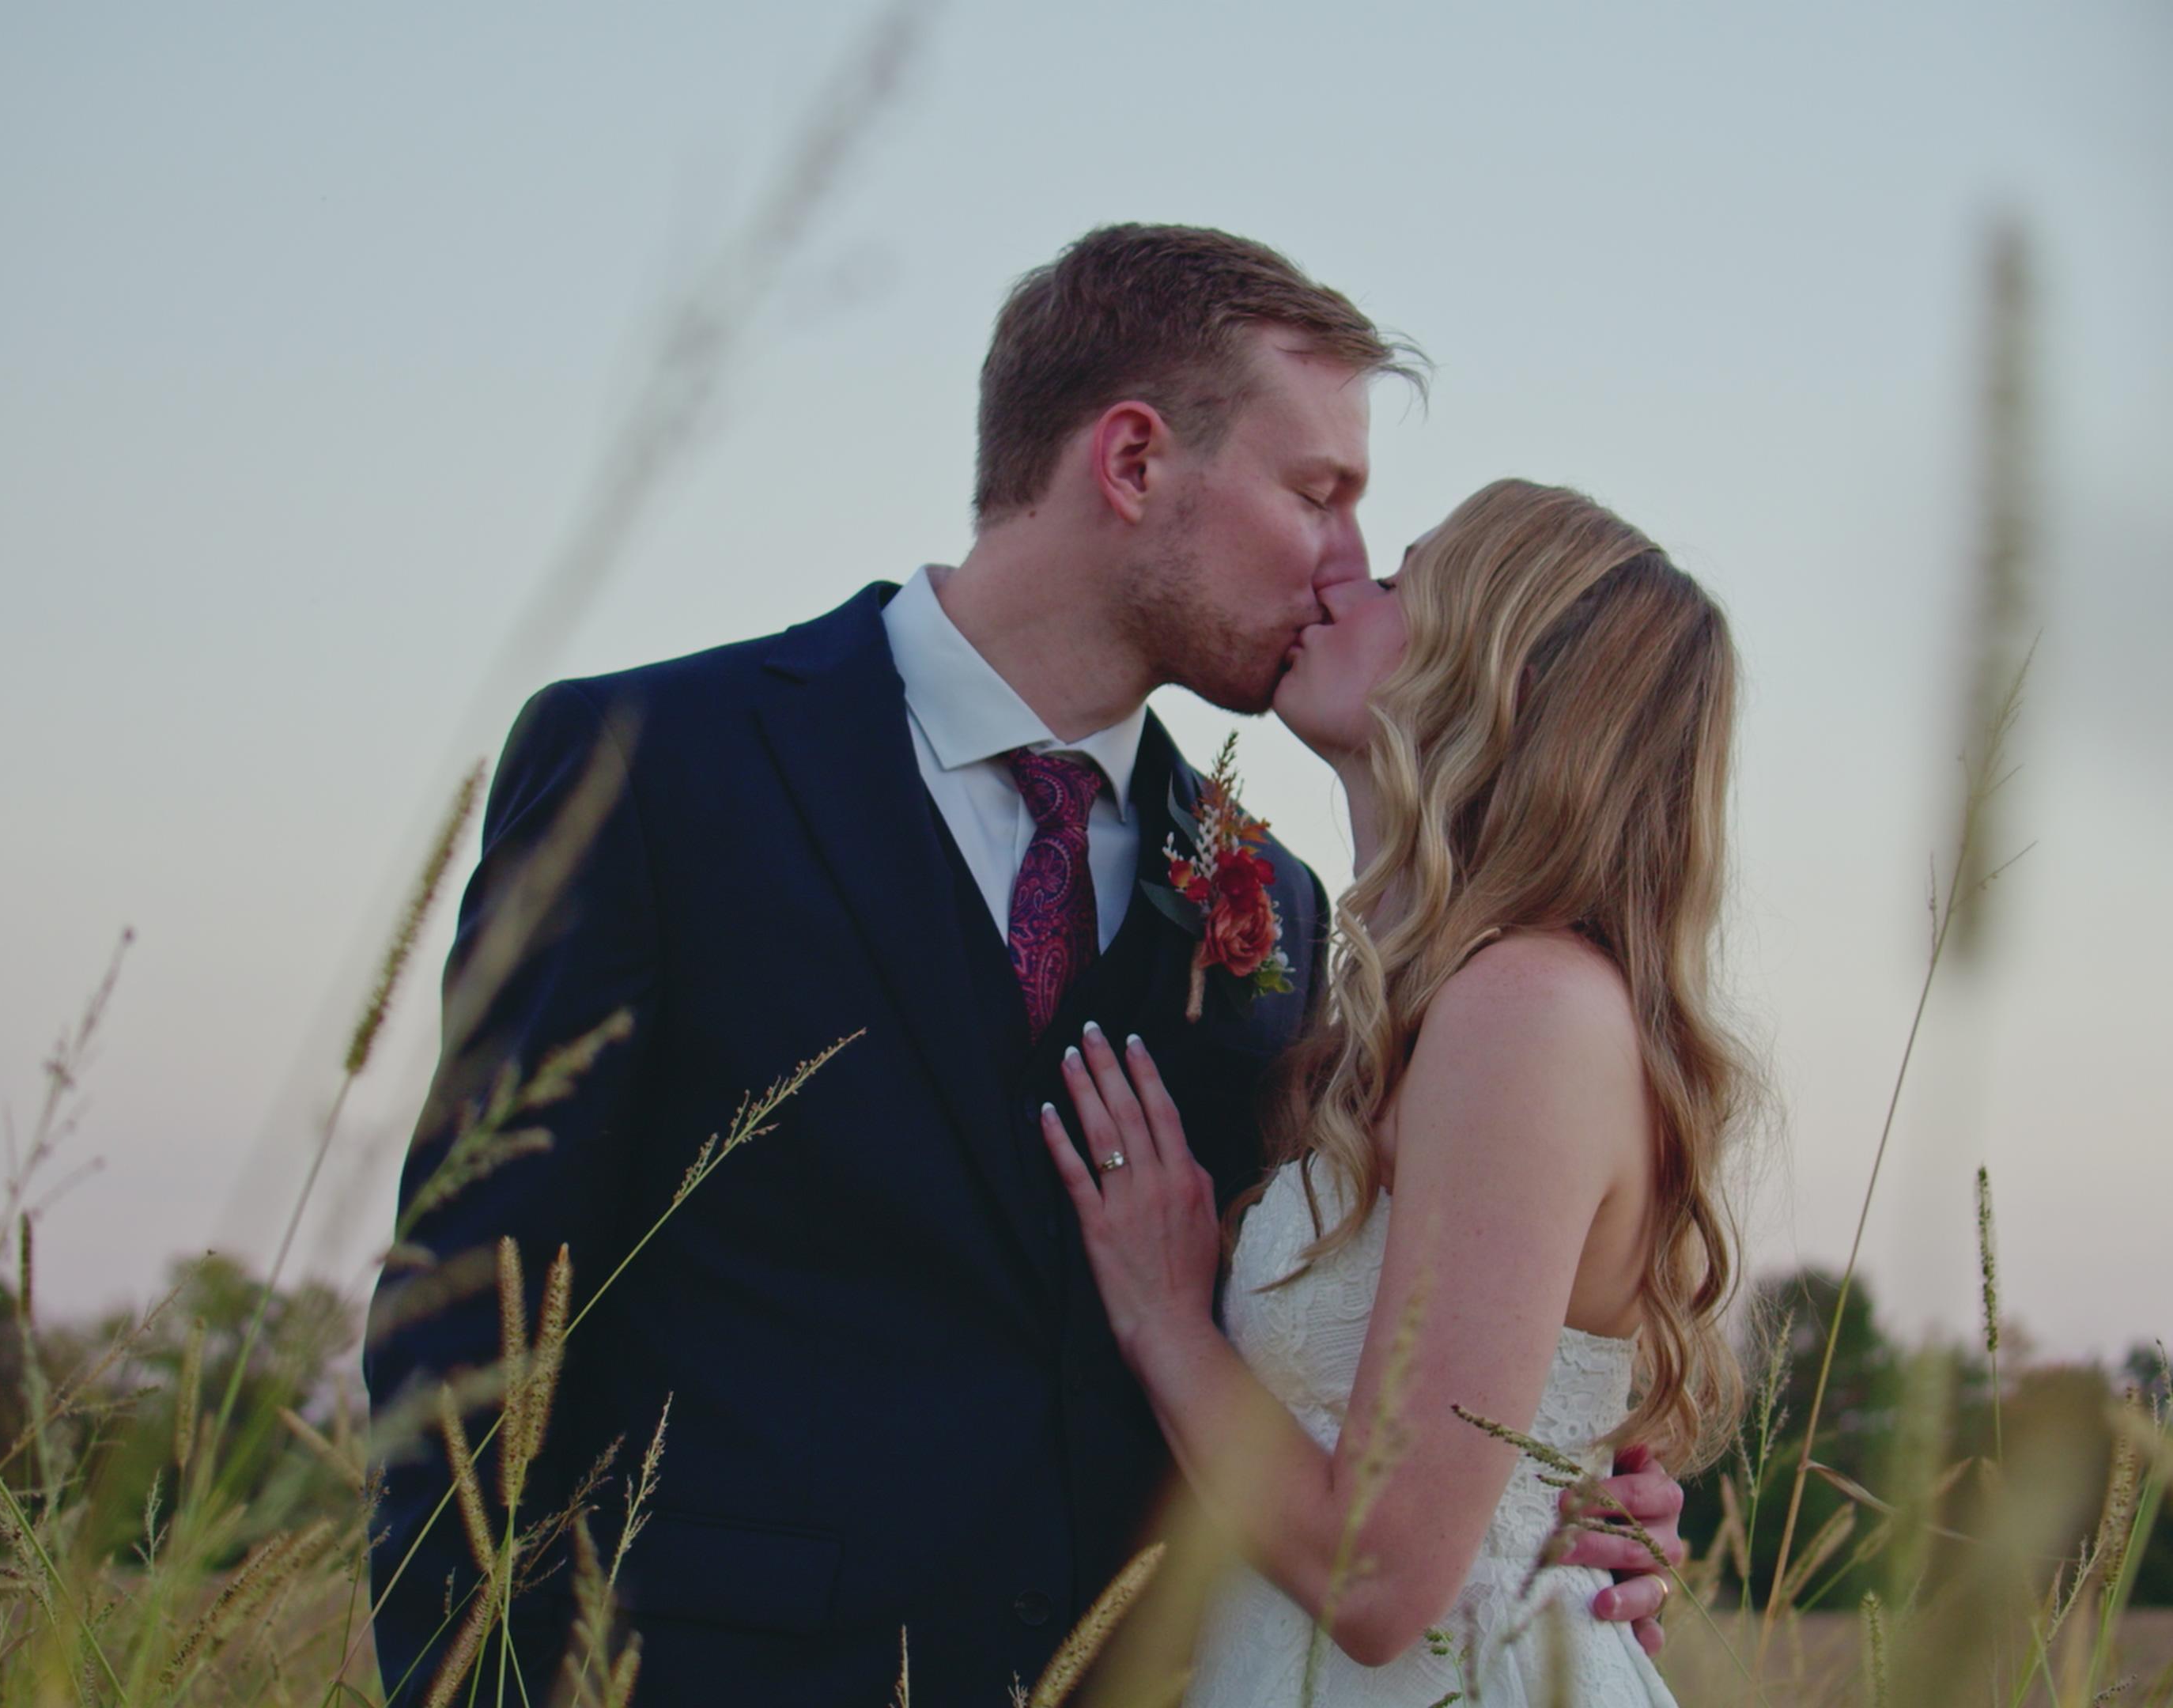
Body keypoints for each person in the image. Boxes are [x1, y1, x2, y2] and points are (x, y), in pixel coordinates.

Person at [362, 226, 1687, 1706]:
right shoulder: (656, 769)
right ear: (1134, 462)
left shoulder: (1281, 907)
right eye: (1317, 494)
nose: (1346, 562)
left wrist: (1546, 1491)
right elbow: (468, 1313)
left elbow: (1347, 1343)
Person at [1042, 479, 1762, 1705]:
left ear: (1495, 673)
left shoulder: (1527, 1011)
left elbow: (1378, 1582)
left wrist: (1166, 1317)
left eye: (1398, 582)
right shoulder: (1411, 1013)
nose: (1341, 580)